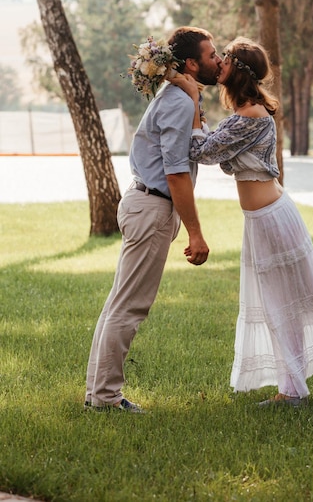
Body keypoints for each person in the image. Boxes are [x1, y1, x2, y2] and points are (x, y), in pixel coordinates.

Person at [173, 36, 313, 407]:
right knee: (294, 300)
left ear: (238, 71)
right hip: (265, 219)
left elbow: (201, 151)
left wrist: (192, 100)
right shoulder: (245, 114)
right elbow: (211, 142)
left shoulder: (251, 117)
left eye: (225, 58)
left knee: (302, 299)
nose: (219, 61)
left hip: (272, 220)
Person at [84, 26, 222, 413]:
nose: (218, 60)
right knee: (128, 307)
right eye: (211, 55)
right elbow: (177, 172)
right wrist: (195, 233)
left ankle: (99, 395)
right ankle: (105, 400)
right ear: (191, 63)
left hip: (146, 205)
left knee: (119, 303)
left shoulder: (181, 96)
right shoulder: (179, 101)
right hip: (152, 207)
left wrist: (194, 96)